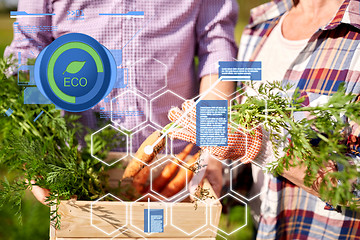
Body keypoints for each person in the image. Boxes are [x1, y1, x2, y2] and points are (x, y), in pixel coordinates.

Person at [5, 0, 239, 203]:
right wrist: (35, 154)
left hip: (175, 169)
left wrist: (211, 151)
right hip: (80, 169)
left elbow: (217, 50)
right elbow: (29, 51)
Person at [168, 0, 360, 238]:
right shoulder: (261, 24)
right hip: (264, 229)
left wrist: (258, 146)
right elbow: (236, 105)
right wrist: (214, 162)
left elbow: (355, 187)